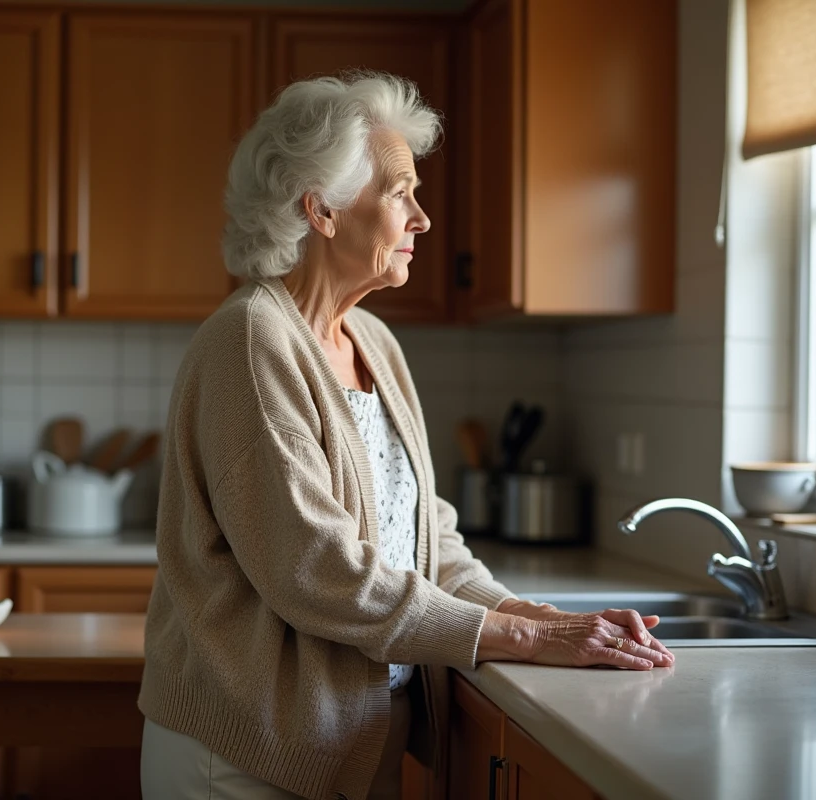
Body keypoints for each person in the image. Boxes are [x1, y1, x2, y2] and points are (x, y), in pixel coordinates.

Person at [138, 72, 674, 800]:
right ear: (322, 210)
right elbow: (317, 570)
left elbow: (428, 541)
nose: (421, 219)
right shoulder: (250, 340)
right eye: (400, 194)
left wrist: (538, 617)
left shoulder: (375, 342)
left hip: (349, 744)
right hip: (245, 755)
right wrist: (523, 639)